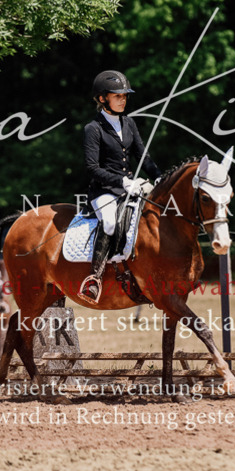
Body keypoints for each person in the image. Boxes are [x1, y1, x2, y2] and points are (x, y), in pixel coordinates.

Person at [78, 70, 162, 304]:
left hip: (130, 188)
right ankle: (94, 279)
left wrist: (159, 177)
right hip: (104, 190)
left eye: (125, 95)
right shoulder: (92, 129)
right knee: (110, 221)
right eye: (118, 95)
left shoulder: (129, 123)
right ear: (103, 98)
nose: (123, 99)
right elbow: (92, 167)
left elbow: (143, 157)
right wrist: (122, 181)